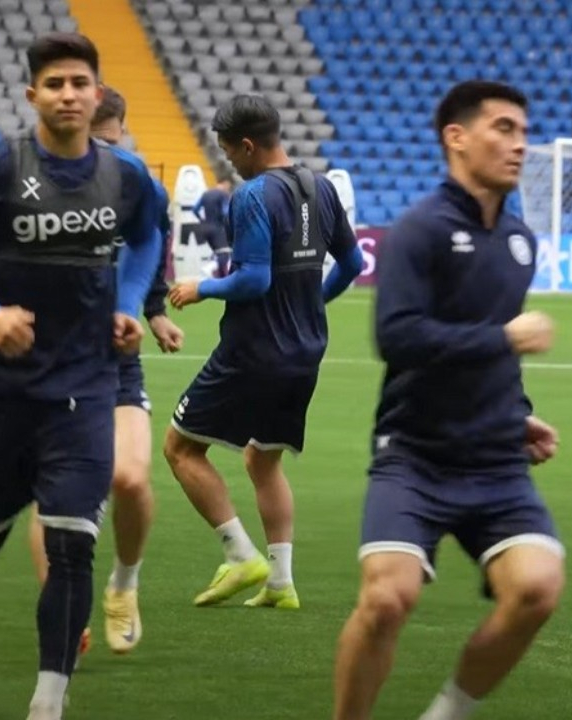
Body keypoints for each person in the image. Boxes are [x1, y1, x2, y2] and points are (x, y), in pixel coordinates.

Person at [0, 33, 164, 720]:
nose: (68, 95)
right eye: (54, 84)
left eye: (79, 83)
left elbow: (148, 236)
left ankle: (48, 703)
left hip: (87, 383)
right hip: (1, 384)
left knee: (72, 546)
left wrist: (127, 304)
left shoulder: (127, 176)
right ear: (33, 95)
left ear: (96, 92)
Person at [332, 80, 565, 720]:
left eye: (524, 131)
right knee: (387, 598)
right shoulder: (419, 230)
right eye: (503, 129)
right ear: (456, 138)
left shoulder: (520, 240)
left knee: (539, 587)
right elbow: (398, 337)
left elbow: (491, 352)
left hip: (495, 460)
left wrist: (518, 412)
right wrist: (504, 338)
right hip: (414, 455)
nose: (520, 144)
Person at [164, 94, 364, 610]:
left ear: (249, 145)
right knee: (263, 459)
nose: (229, 159)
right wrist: (312, 303)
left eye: (230, 150)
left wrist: (201, 288)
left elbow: (254, 280)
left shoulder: (252, 195)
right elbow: (353, 264)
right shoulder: (320, 187)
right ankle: (281, 583)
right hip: (305, 351)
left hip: (254, 350)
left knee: (180, 449)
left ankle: (240, 555)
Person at [23, 86, 184, 658]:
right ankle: (63, 606)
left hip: (115, 357)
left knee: (131, 480)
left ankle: (123, 585)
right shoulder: (37, 179)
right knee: (53, 493)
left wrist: (152, 310)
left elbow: (149, 243)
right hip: (49, 359)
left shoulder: (133, 181)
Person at [195, 178, 234, 276]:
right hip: (217, 228)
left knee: (218, 253)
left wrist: (201, 219)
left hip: (205, 228)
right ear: (225, 184)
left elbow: (195, 209)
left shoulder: (206, 194)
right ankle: (207, 269)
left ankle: (221, 278)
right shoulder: (223, 194)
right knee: (225, 253)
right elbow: (225, 212)